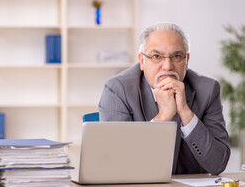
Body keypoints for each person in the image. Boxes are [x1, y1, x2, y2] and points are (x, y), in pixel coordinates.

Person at [98, 22, 230, 175]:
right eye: (156, 56)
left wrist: (186, 113)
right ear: (142, 61)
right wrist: (163, 116)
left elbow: (218, 164)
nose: (167, 66)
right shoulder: (118, 89)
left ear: (186, 61)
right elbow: (118, 163)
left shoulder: (207, 90)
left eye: (176, 56)